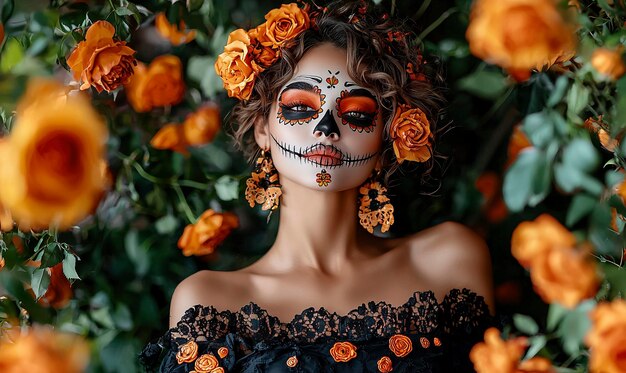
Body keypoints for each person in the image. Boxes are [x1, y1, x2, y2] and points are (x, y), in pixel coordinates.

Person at [141, 1, 494, 372]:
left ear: (388, 137)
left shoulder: (449, 262)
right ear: (263, 128)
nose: (326, 128)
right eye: (299, 108)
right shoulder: (209, 305)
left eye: (357, 114)